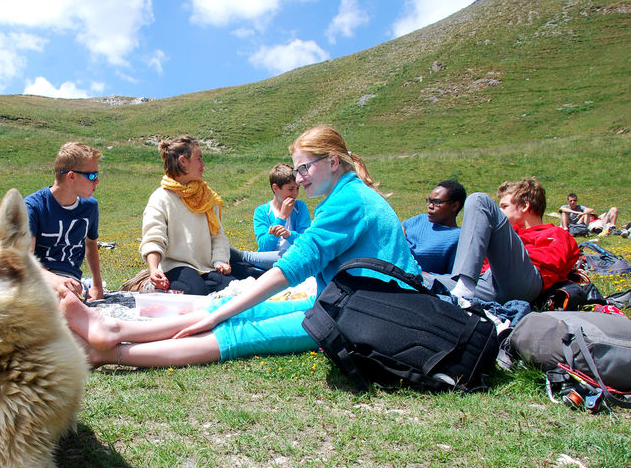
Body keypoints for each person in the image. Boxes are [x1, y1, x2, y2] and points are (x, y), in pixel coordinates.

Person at [61, 125, 421, 368]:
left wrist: (220, 313)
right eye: (296, 171)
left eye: (305, 168)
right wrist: (224, 307)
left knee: (237, 328)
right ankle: (114, 331)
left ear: (331, 161)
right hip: (345, 301)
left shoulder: (349, 201)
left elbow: (292, 266)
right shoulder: (347, 194)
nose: (299, 178)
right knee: (231, 308)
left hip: (370, 311)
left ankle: (109, 353)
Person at [433, 178, 579, 304]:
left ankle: (463, 292)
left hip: (525, 282)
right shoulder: (509, 235)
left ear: (524, 206)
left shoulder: (556, 233)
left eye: (504, 206)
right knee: (416, 280)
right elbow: (483, 268)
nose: (499, 211)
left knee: (478, 200)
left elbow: (552, 266)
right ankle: (462, 291)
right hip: (487, 283)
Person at [139, 135, 236, 295]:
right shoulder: (161, 198)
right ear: (183, 161)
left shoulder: (206, 196)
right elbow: (154, 238)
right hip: (175, 267)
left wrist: (220, 260)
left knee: (235, 290)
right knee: (196, 291)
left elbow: (218, 235)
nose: (203, 164)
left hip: (206, 268)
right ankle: (154, 286)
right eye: (199, 159)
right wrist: (154, 269)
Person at [25, 141, 104, 300]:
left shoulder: (90, 207)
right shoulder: (33, 207)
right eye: (92, 176)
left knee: (67, 299)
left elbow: (90, 243)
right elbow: (26, 260)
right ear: (72, 176)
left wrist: (97, 286)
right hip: (37, 278)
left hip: (70, 282)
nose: (96, 182)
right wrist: (56, 281)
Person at [230, 163, 311, 272]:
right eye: (291, 189)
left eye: (297, 188)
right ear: (275, 187)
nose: (295, 194)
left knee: (293, 256)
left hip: (296, 258)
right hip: (268, 260)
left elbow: (306, 242)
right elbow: (264, 247)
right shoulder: (262, 211)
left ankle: (244, 257)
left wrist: (289, 234)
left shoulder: (300, 207)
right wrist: (281, 218)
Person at [401, 180, 466, 274]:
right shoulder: (418, 220)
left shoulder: (458, 237)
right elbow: (395, 230)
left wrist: (421, 275)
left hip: (415, 282)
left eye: (436, 202)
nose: (430, 206)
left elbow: (453, 278)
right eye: (429, 201)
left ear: (454, 206)